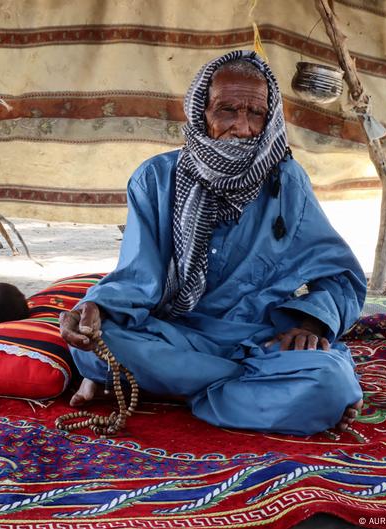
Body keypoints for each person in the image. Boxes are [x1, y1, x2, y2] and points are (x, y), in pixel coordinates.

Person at [59, 51, 367, 436]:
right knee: (93, 347)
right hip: (174, 333)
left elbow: (341, 275)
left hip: (257, 338)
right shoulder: (155, 178)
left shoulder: (287, 181)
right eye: (226, 110)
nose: (242, 127)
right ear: (198, 112)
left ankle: (182, 389)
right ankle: (256, 391)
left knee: (331, 382)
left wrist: (307, 322)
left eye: (256, 113)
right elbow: (137, 276)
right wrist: (95, 306)